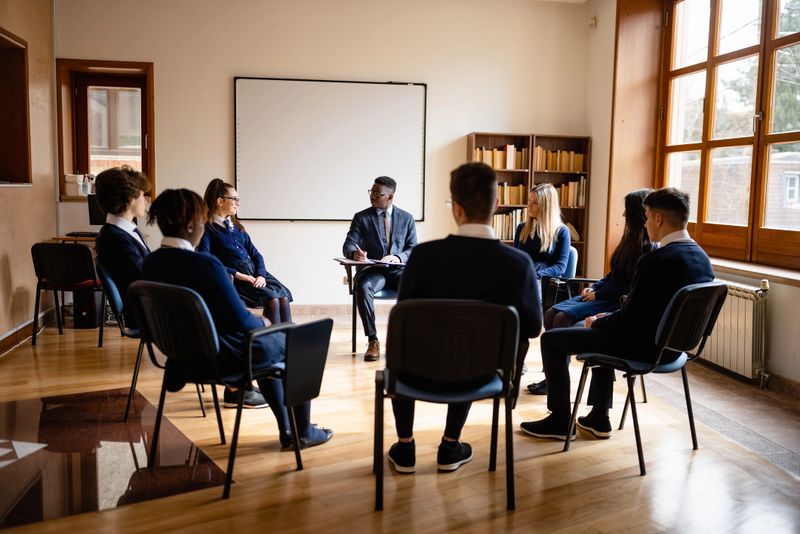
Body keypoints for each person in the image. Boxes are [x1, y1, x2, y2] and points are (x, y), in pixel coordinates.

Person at [141, 188, 333, 450]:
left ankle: (288, 429)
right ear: (190, 225)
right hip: (221, 354)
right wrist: (265, 324)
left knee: (271, 344)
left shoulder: (151, 263)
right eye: (201, 218)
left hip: (182, 354)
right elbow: (242, 322)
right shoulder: (206, 266)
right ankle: (303, 431)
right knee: (298, 341)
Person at [519, 187, 714, 441]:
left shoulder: (655, 261)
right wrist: (603, 321)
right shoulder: (702, 259)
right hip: (674, 349)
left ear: (658, 219)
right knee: (600, 329)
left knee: (552, 340)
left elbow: (630, 319)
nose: (644, 224)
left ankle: (559, 420)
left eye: (646, 217)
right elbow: (642, 312)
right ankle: (599, 417)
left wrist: (599, 321)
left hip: (643, 347)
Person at [387, 162, 542, 474]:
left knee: (411, 347)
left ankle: (405, 447)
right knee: (472, 348)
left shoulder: (423, 257)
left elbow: (403, 324)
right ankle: (450, 444)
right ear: (497, 205)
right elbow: (532, 328)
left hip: (415, 374)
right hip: (481, 375)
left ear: (455, 207)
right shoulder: (518, 265)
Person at [543, 188, 653, 330]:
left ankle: (565, 350)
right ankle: (554, 350)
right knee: (549, 313)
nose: (623, 214)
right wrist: (594, 287)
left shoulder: (648, 249)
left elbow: (631, 289)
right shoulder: (628, 241)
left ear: (636, 214)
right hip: (602, 295)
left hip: (614, 301)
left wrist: (598, 294)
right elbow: (613, 274)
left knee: (561, 318)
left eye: (627, 210)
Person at [342, 176, 417, 362]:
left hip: (398, 270)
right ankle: (373, 340)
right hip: (374, 272)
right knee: (362, 285)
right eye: (371, 192)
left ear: (390, 196)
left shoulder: (407, 218)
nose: (372, 196)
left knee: (417, 285)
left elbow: (413, 248)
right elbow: (349, 244)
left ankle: (407, 340)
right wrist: (354, 254)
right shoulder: (362, 217)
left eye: (378, 193)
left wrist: (399, 257)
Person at [198, 178, 293, 325]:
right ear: (220, 201)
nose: (238, 203)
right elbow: (206, 261)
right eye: (234, 199)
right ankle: (273, 342)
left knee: (284, 297)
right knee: (273, 299)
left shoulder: (238, 228)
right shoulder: (207, 229)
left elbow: (256, 255)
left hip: (255, 273)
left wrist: (261, 274)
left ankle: (288, 342)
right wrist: (238, 275)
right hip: (235, 279)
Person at [513, 182, 571, 395]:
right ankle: (512, 363)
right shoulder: (522, 228)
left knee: (522, 309)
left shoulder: (561, 232)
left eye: (535, 203)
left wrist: (535, 273)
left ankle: (548, 377)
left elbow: (561, 266)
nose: (529, 206)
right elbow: (518, 259)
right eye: (528, 201)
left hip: (546, 286)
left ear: (546, 206)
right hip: (525, 281)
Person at [94, 166, 150, 329]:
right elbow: (143, 276)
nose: (145, 200)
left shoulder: (126, 230)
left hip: (150, 304)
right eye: (142, 194)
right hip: (146, 313)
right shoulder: (115, 238)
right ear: (129, 198)